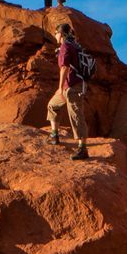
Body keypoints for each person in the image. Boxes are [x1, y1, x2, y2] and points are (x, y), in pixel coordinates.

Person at [45, 22, 90, 159]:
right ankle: (55, 135)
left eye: (56, 33)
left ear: (62, 34)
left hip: (73, 88)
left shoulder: (66, 46)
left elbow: (64, 68)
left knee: (76, 115)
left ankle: (82, 149)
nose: (55, 35)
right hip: (69, 87)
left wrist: (59, 88)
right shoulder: (75, 46)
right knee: (52, 105)